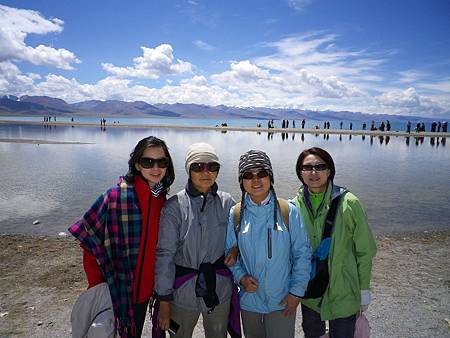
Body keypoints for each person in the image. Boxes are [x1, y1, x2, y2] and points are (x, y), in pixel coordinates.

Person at [69, 136, 176, 338]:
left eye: (162, 162)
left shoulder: (163, 202)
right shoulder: (115, 197)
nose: (156, 168)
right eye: (148, 162)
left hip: (144, 294)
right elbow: (89, 241)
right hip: (115, 291)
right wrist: (99, 285)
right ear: (137, 164)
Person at [155, 143, 239, 338]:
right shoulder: (174, 207)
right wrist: (164, 300)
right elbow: (165, 255)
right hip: (182, 292)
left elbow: (240, 239)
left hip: (219, 289)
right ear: (188, 169)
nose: (206, 172)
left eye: (212, 166)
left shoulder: (228, 203)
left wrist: (235, 250)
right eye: (198, 166)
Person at [225, 150, 311, 338]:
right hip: (249, 301)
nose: (255, 180)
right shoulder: (236, 214)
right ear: (242, 181)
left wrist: (296, 293)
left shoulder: (288, 211)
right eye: (248, 175)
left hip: (282, 299)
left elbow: (302, 255)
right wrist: (241, 278)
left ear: (270, 177)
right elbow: (230, 255)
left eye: (261, 174)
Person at [292, 147, 376, 338]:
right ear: (300, 172)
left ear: (329, 171)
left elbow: (365, 251)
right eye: (307, 168)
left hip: (343, 293)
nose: (314, 172)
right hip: (311, 292)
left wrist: (364, 289)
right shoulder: (294, 206)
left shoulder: (349, 203)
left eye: (320, 166)